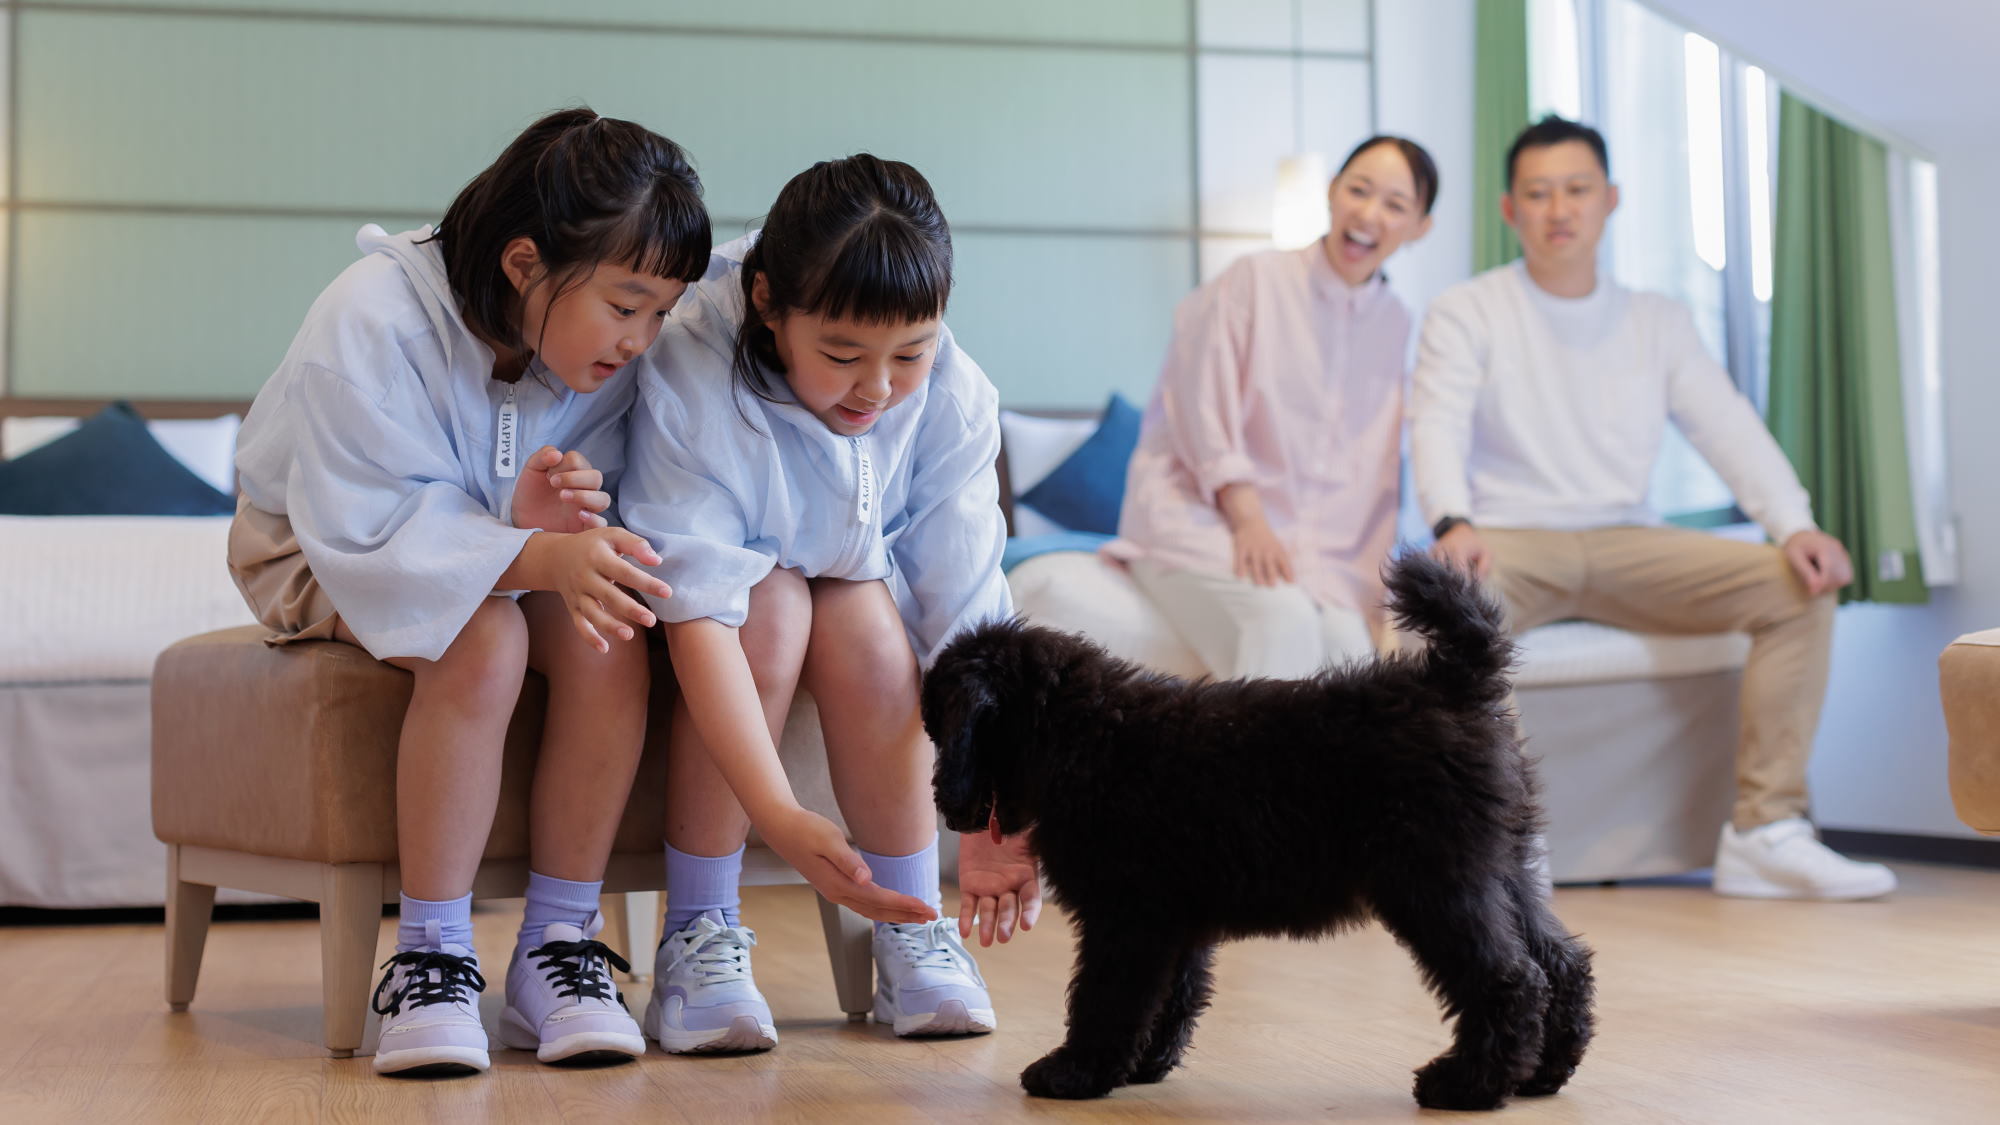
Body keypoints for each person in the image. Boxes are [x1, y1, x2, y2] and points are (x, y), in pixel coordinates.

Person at [227, 107, 712, 1074]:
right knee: (483, 639)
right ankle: (433, 956)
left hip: (488, 535)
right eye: (625, 306)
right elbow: (365, 524)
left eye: (661, 311)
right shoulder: (371, 317)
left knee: (603, 626)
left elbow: (558, 507)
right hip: (319, 545)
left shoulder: (610, 352)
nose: (643, 338)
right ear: (524, 263)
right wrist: (525, 551)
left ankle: (557, 947)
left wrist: (550, 521)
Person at [1411, 115, 1895, 901]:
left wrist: (1796, 523)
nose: (1559, 208)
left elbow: (1728, 425)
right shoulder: (1468, 309)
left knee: (1795, 586)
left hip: (1628, 539)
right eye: (1538, 193)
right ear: (1510, 210)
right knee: (1448, 617)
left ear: (1611, 200)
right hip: (1508, 539)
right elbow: (1434, 417)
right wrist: (1448, 519)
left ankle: (1766, 831)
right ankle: (1506, 847)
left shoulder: (1657, 320)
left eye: (1576, 189)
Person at [619, 154, 1041, 1054]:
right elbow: (697, 599)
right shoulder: (695, 358)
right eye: (843, 356)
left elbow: (963, 603)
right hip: (715, 602)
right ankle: (697, 930)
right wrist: (777, 810)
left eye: (910, 354)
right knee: (769, 611)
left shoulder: (955, 394)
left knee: (875, 636)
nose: (878, 389)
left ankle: (911, 920)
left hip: (850, 587)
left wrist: (996, 806)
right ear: (768, 302)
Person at [1108, 136, 1439, 680]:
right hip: (1201, 523)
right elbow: (1199, 410)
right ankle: (1249, 768)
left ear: (1420, 227)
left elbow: (1379, 474)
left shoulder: (1400, 325)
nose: (1368, 213)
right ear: (1332, 191)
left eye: (1395, 205)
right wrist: (1248, 518)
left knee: (1349, 653)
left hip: (1320, 560)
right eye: (1358, 190)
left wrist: (1371, 582)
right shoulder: (1253, 280)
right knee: (1282, 620)